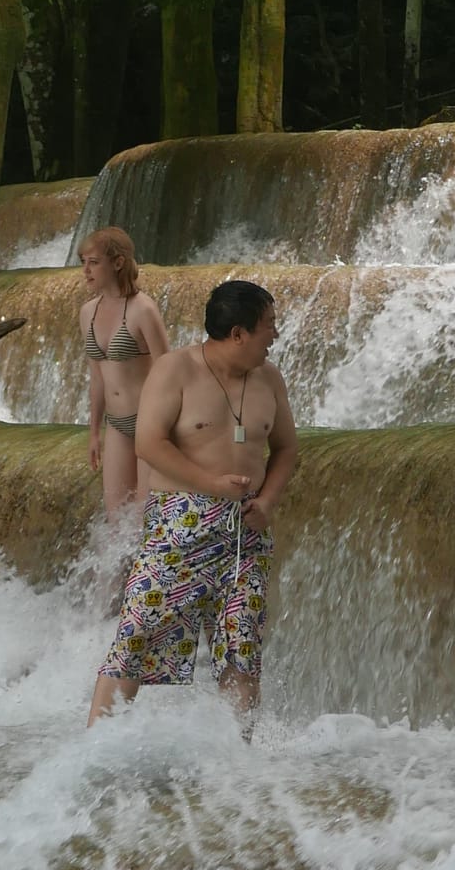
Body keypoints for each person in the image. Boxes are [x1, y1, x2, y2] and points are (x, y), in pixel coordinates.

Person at [88, 278, 298, 725]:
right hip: (179, 524)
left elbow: (285, 449)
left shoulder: (269, 378)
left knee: (242, 652)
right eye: (269, 326)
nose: (275, 335)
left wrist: (269, 502)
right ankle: (94, 755)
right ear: (238, 333)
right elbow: (148, 443)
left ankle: (234, 764)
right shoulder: (176, 368)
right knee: (135, 637)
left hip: (247, 531)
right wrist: (212, 484)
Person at [77, 227, 171, 515]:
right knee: (116, 519)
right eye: (83, 262)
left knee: (145, 516)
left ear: (117, 263)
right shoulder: (87, 312)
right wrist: (94, 433)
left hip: (148, 422)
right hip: (116, 424)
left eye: (93, 262)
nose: (86, 271)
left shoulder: (143, 309)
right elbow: (97, 378)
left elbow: (169, 371)